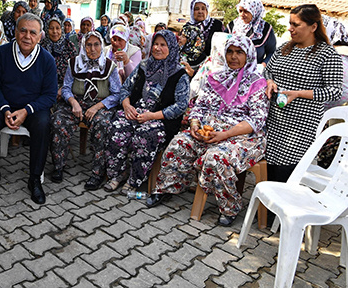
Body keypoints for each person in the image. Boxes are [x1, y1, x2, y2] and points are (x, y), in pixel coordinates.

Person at [149, 34, 269, 226]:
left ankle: (230, 207)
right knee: (179, 143)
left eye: (239, 52)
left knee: (216, 158)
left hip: (243, 136)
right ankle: (168, 188)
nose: (233, 56)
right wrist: (195, 124)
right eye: (229, 51)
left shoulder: (257, 83)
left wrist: (225, 135)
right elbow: (199, 106)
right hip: (210, 130)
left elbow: (256, 121)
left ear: (249, 55)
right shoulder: (216, 77)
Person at [0, 13, 57, 204]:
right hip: (5, 105)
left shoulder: (47, 60)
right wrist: (5, 109)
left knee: (43, 125)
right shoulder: (2, 53)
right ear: (15, 32)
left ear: (40, 37)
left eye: (33, 32)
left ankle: (35, 178)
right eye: (23, 31)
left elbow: (50, 95)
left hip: (33, 109)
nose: (27, 36)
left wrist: (26, 111)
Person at [103, 30, 189, 194]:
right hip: (136, 112)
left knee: (145, 135)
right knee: (116, 127)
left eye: (163, 45)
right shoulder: (144, 66)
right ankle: (117, 175)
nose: (157, 48)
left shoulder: (179, 74)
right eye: (155, 44)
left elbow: (180, 106)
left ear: (171, 47)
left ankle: (134, 180)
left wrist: (152, 116)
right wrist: (127, 106)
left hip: (160, 118)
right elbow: (125, 89)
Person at [264, 4, 343, 183]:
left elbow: (335, 91)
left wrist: (299, 94)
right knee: (269, 168)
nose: (290, 28)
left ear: (313, 27)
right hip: (275, 121)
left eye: (296, 24)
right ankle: (264, 208)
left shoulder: (327, 55)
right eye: (290, 23)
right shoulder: (285, 48)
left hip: (300, 127)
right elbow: (268, 71)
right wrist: (269, 81)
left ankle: (278, 209)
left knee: (286, 172)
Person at [50, 31, 121, 186]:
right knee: (58, 120)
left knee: (102, 125)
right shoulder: (74, 63)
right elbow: (66, 87)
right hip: (76, 103)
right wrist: (73, 102)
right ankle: (58, 166)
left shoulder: (109, 66)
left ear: (102, 46)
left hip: (100, 105)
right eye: (88, 44)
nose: (92, 49)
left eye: (96, 44)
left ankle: (98, 173)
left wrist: (96, 107)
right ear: (83, 46)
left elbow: (117, 94)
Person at [226, 0, 277, 66]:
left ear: (255, 11)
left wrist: (263, 65)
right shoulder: (232, 26)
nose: (242, 14)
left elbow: (272, 53)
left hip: (255, 71)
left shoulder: (265, 29)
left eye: (246, 11)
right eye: (240, 11)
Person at [39, 17, 77, 92]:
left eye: (57, 28)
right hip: (43, 87)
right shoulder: (41, 47)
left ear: (62, 29)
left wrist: (63, 89)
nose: (55, 31)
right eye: (51, 28)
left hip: (65, 87)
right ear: (46, 29)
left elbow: (75, 70)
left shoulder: (69, 46)